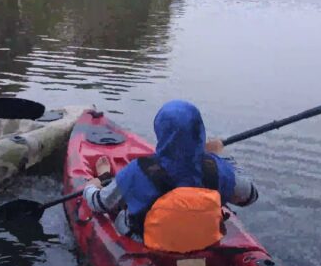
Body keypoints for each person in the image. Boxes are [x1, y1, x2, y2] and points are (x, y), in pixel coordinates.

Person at [82, 100, 259, 253]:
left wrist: (91, 185)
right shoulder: (216, 169)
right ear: (199, 130)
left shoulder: (138, 170)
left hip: (146, 242)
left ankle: (109, 180)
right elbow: (250, 196)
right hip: (204, 242)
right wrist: (221, 158)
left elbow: (99, 204)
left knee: (122, 206)